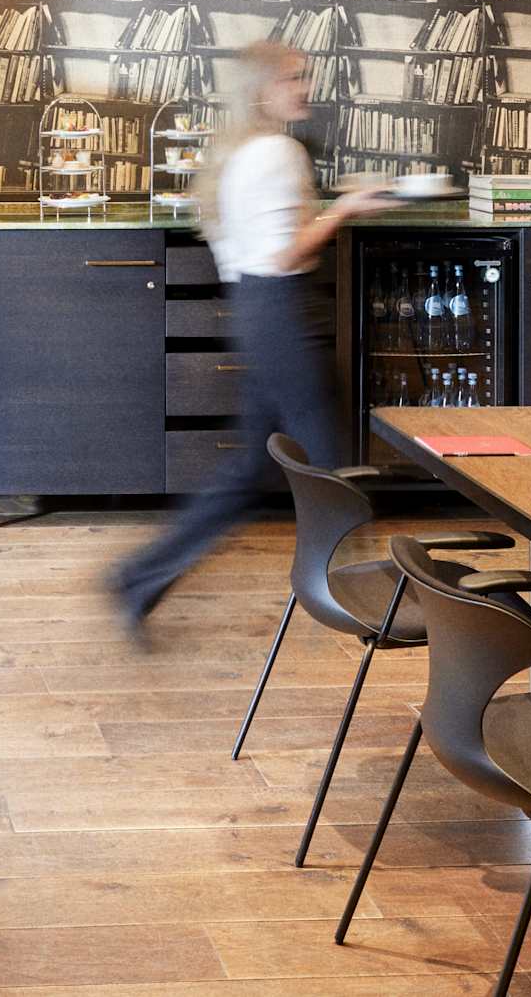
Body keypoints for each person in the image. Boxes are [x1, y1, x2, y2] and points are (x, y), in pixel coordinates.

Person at [106, 41, 388, 637]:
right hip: (285, 312)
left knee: (250, 470)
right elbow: (285, 253)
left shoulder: (233, 156)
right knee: (333, 464)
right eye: (293, 78)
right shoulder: (280, 152)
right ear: (263, 90)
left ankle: (137, 577)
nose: (305, 88)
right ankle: (362, 599)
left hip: (255, 312)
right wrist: (346, 208)